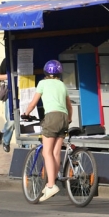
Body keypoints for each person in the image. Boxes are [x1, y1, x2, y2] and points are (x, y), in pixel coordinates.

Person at [22, 60, 73, 203]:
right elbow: (69, 106)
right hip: (63, 118)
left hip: (51, 117)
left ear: (45, 72)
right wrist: (69, 119)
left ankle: (51, 185)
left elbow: (33, 103)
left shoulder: (42, 83)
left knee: (47, 152)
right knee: (56, 152)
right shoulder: (62, 85)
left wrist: (26, 113)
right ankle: (53, 179)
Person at [0, 58, 14, 153]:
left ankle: (25, 145)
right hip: (9, 94)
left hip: (23, 92)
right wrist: (12, 76)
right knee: (11, 120)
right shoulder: (6, 60)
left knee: (23, 121)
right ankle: (6, 140)